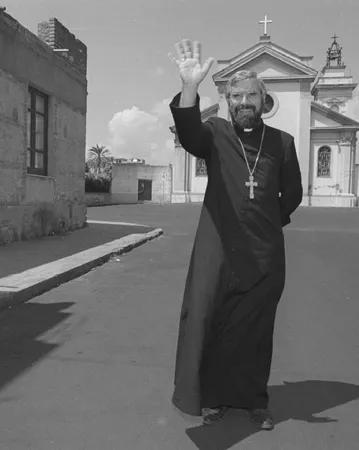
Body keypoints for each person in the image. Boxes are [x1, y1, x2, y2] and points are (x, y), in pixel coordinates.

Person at [169, 39, 303, 430]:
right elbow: (189, 134)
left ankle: (255, 401)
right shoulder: (215, 134)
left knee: (256, 330)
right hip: (218, 251)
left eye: (251, 95)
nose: (244, 101)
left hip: (264, 255)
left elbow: (291, 195)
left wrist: (262, 223)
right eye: (236, 95)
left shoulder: (283, 143)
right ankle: (215, 399)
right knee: (213, 322)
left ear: (264, 100)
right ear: (228, 100)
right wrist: (191, 86)